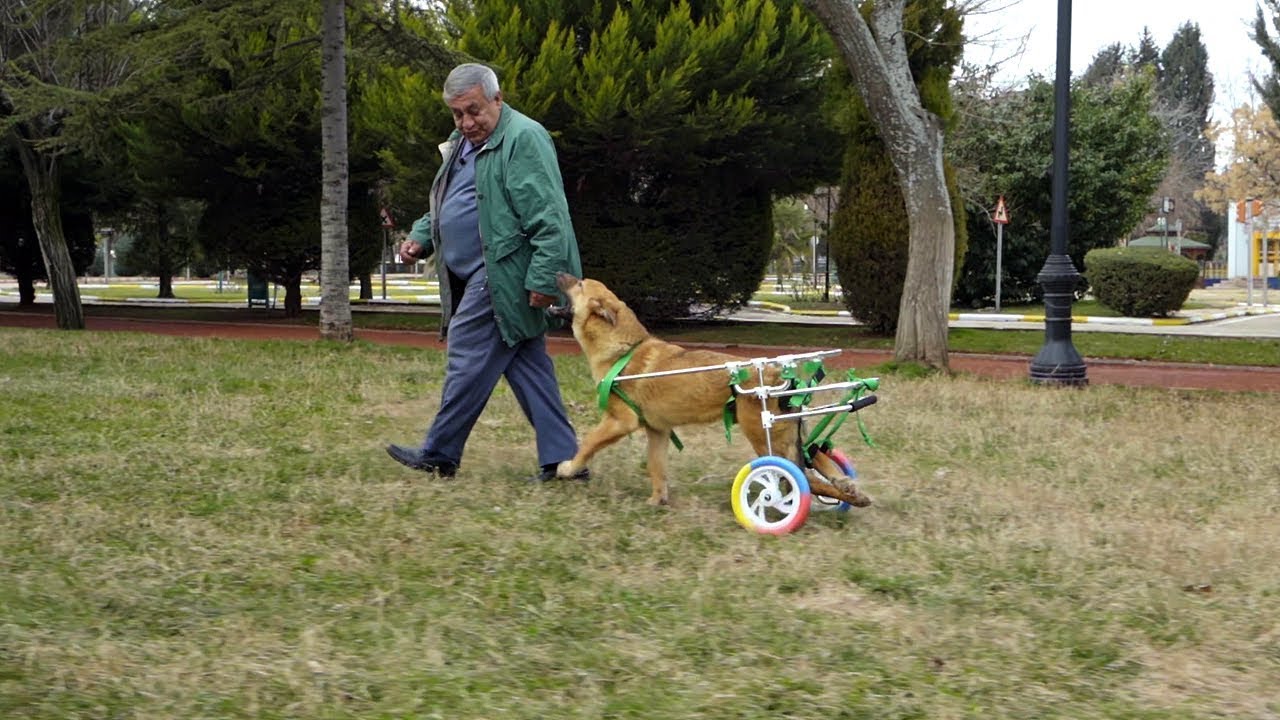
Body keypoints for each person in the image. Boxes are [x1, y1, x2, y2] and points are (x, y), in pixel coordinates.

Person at [386, 63, 587, 482]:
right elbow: (449, 197)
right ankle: (565, 462)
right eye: (457, 114)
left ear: (498, 99)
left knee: (467, 354)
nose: (466, 122)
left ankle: (440, 453)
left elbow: (550, 218)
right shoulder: (463, 142)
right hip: (477, 271)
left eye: (474, 110)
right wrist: (422, 234)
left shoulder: (524, 139)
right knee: (527, 366)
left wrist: (542, 279)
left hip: (504, 273)